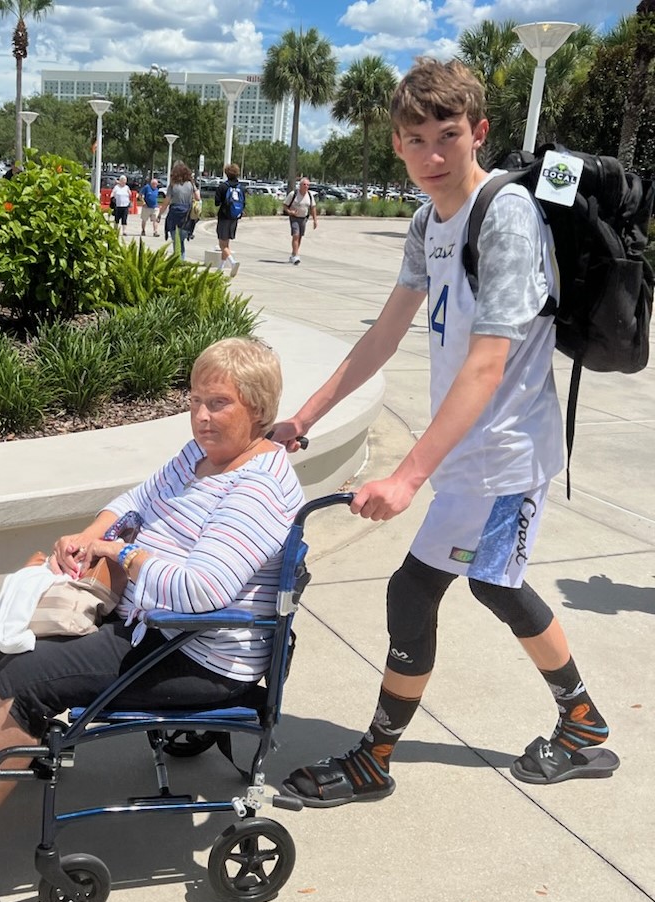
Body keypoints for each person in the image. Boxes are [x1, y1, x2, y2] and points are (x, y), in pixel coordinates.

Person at [272, 57, 618, 809]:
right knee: (490, 584)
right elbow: (383, 336)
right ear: (396, 143)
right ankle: (583, 723)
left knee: (421, 589)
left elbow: (488, 364)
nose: (431, 156)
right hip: (469, 457)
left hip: (505, 457)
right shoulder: (429, 223)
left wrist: (407, 475)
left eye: (448, 136)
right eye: (415, 138)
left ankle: (377, 758)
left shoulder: (508, 217)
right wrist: (306, 414)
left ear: (478, 133)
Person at [0, 337, 306, 873]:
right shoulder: (204, 457)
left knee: (23, 680)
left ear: (257, 408)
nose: (199, 417)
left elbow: (202, 591)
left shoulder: (257, 490)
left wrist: (124, 554)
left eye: (217, 403)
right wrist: (89, 536)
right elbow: (137, 500)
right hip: (149, 627)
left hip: (195, 654)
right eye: (193, 400)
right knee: (12, 632)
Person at [159, 161, 199, 259]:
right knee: (180, 243)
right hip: (187, 216)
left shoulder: (172, 185)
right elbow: (198, 197)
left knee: (177, 243)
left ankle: (179, 265)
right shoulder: (190, 184)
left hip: (174, 216)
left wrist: (160, 214)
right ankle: (181, 263)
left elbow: (166, 201)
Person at [214, 163, 245, 277]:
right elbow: (243, 203)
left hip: (224, 217)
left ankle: (232, 262)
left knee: (222, 244)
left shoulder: (223, 186)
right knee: (227, 243)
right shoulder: (240, 187)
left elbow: (217, 202)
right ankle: (221, 267)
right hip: (234, 217)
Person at [281, 177, 317, 265]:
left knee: (300, 237)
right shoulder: (293, 194)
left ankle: (293, 254)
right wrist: (290, 212)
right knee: (295, 235)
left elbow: (313, 208)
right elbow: (285, 205)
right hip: (294, 218)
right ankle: (296, 256)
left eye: (308, 185)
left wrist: (315, 220)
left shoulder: (309, 195)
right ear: (300, 185)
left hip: (303, 218)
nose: (306, 186)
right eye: (304, 184)